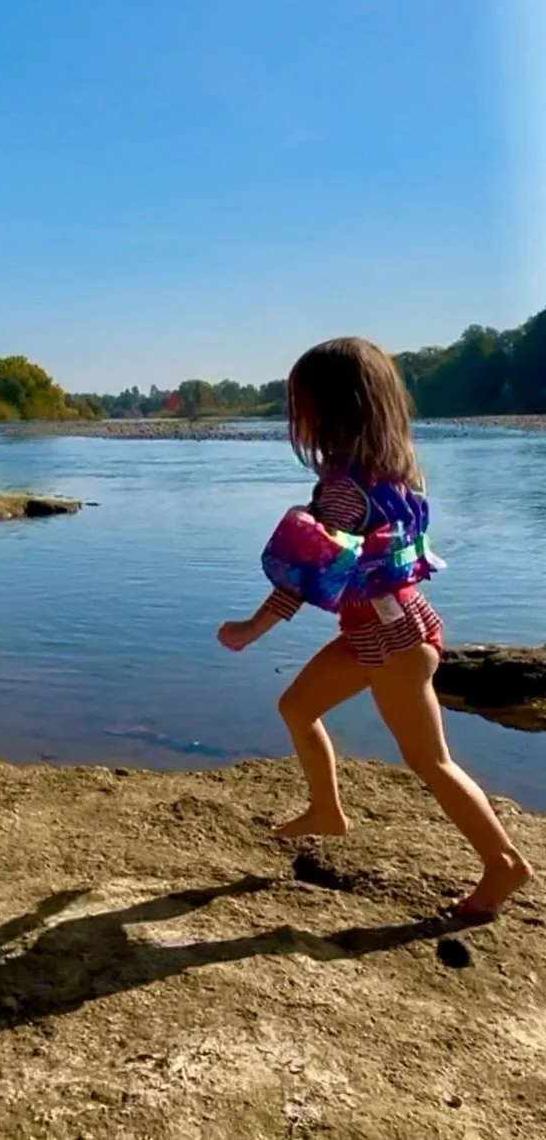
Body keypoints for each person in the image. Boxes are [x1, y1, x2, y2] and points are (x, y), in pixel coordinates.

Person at [217, 337, 532, 919]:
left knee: (429, 760)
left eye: (301, 406)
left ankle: (503, 862)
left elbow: (301, 577)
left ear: (329, 412)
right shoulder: (394, 472)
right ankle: (326, 811)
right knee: (297, 707)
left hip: (394, 643)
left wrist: (247, 630)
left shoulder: (343, 493)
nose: (298, 420)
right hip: (380, 633)